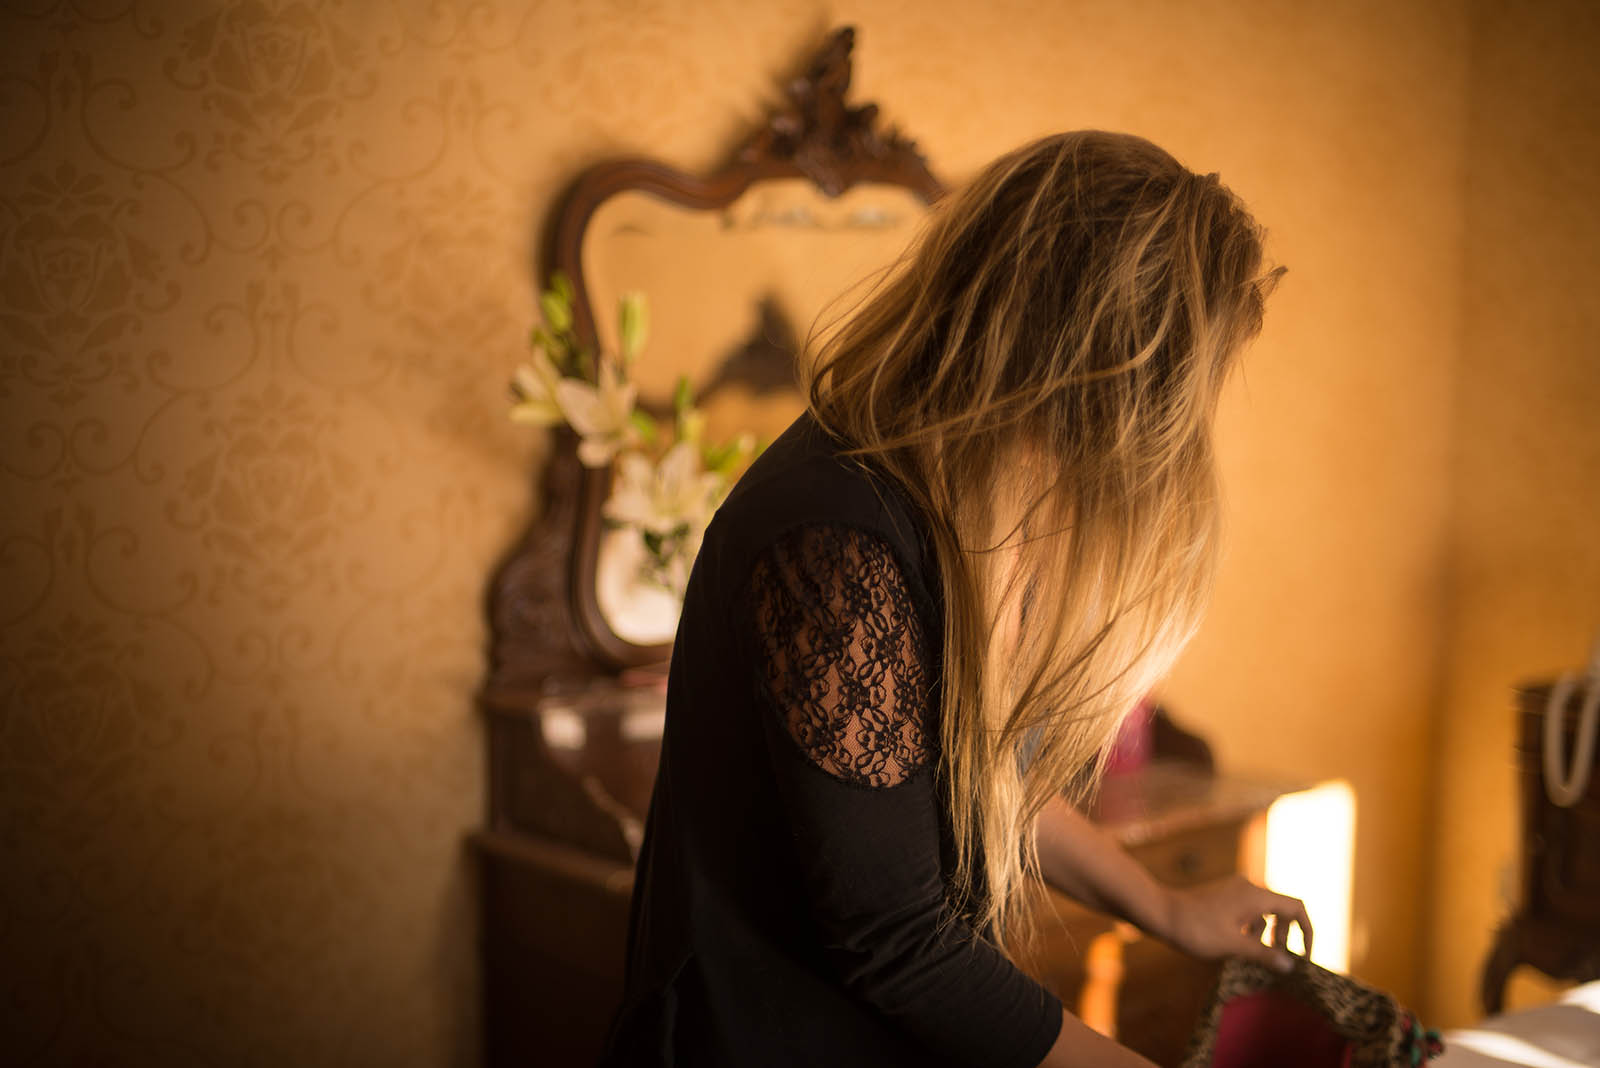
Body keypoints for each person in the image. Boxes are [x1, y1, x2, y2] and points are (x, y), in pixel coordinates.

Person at [600, 130, 1312, 1067]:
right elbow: (898, 944)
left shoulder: (969, 500)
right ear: (1096, 368)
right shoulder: (835, 544)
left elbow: (973, 778)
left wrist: (1165, 907)